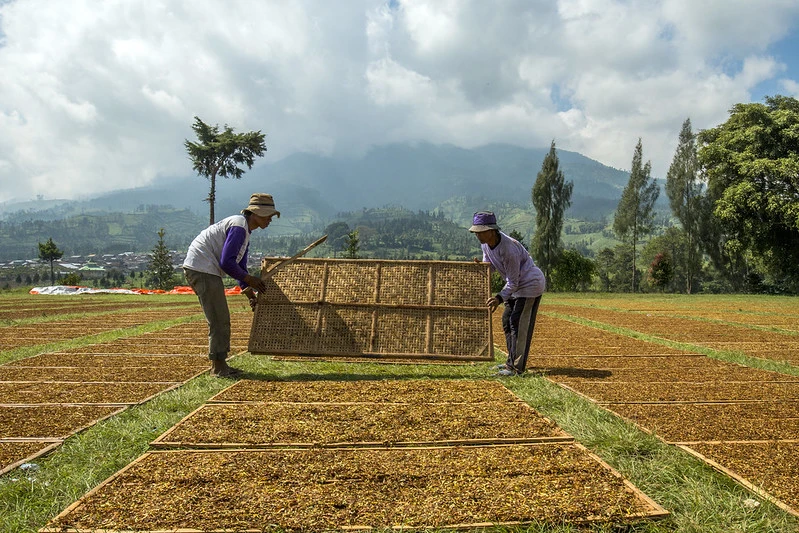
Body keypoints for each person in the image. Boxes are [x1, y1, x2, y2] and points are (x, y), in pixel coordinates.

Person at [182, 193, 278, 377]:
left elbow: (239, 265)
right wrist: (251, 280)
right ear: (255, 213)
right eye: (267, 216)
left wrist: (250, 294)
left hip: (204, 268)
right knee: (219, 319)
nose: (270, 220)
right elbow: (227, 263)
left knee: (221, 318)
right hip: (202, 268)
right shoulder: (239, 227)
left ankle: (220, 365)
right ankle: (218, 368)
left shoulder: (244, 230)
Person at [469, 211, 545, 376]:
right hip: (515, 287)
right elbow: (490, 265)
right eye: (476, 232)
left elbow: (513, 281)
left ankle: (517, 368)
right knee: (507, 321)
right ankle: (510, 364)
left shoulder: (508, 248)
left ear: (492, 230)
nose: (478, 235)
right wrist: (482, 268)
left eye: (481, 231)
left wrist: (498, 298)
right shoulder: (485, 244)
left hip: (529, 285)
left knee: (517, 323)